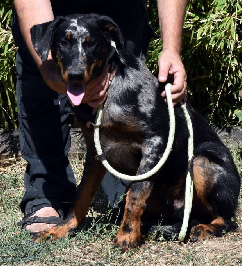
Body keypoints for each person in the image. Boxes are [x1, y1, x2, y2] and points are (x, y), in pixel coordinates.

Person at [12, 0, 188, 233]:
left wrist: (171, 49)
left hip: (119, 9)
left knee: (124, 102)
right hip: (50, 8)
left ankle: (126, 192)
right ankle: (46, 195)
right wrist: (48, 71)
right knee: (42, 91)